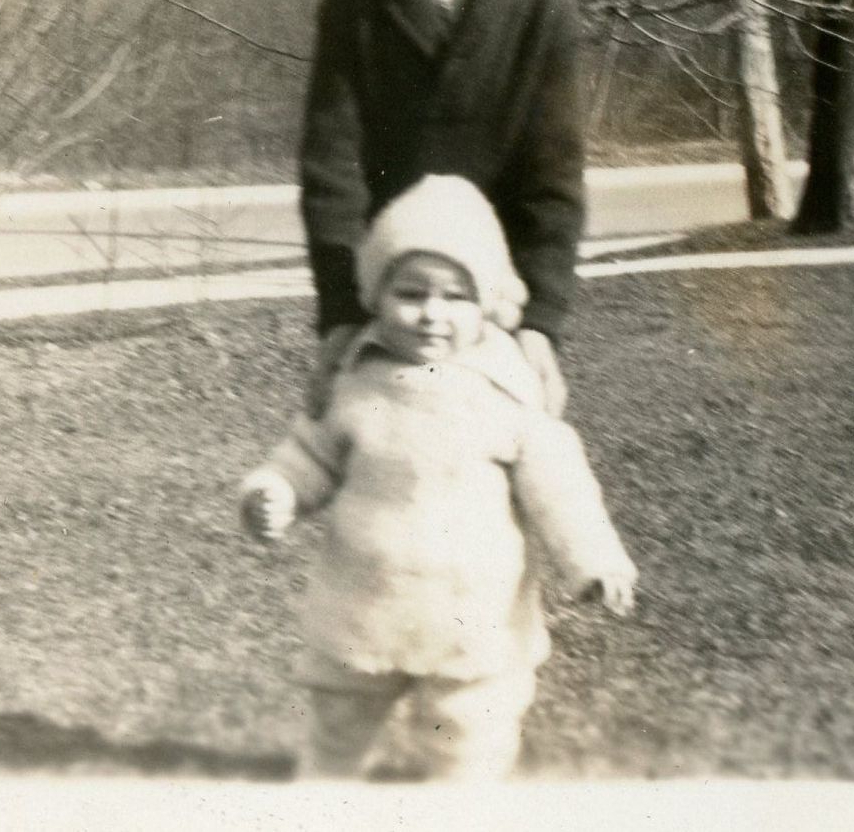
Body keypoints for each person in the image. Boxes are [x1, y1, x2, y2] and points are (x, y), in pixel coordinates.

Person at [239, 175, 637, 781]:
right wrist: (276, 491)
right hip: (363, 600)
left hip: (472, 610)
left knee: (467, 737)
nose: (431, 314)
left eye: (455, 297)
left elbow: (561, 486)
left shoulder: (507, 386)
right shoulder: (356, 378)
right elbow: (309, 456)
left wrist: (594, 561)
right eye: (410, 293)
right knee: (338, 727)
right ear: (376, 294)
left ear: (486, 304)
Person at [299, 0, 585, 418]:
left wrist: (539, 324)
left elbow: (553, 188)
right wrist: (342, 315)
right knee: (371, 456)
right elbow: (332, 174)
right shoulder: (357, 5)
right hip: (388, 306)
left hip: (493, 310)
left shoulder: (544, 14)